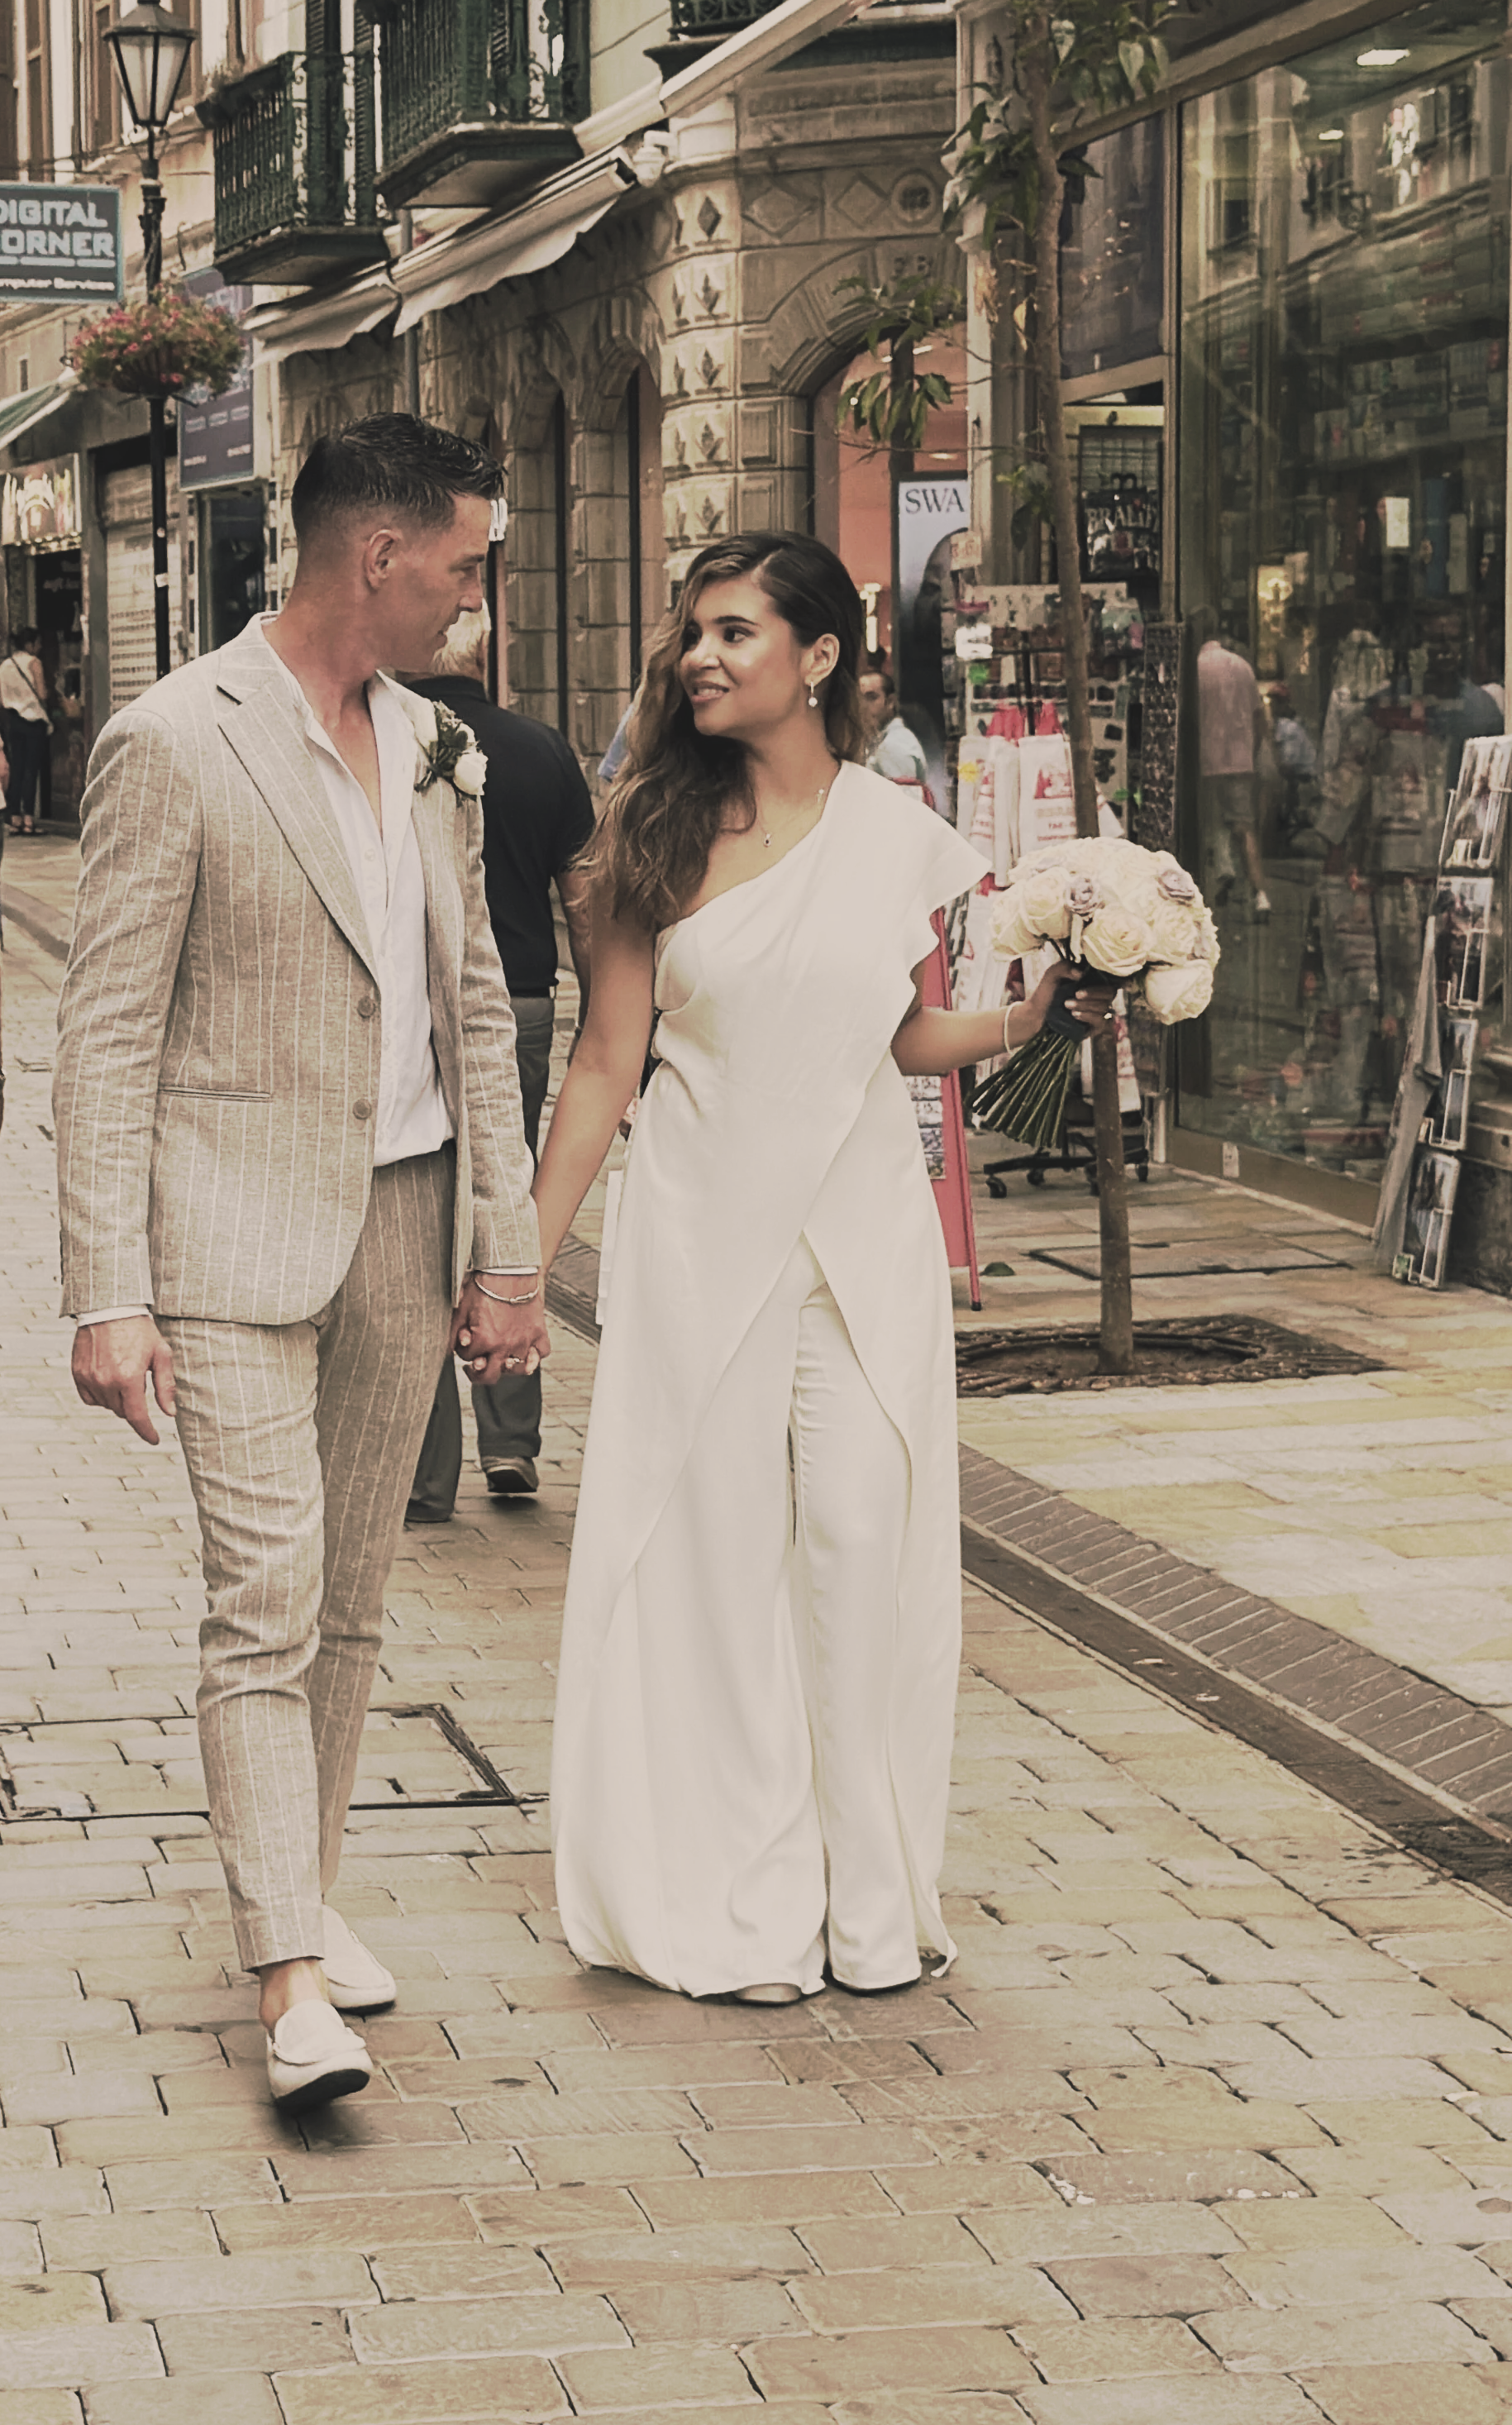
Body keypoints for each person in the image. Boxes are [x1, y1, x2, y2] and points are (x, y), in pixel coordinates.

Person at [531, 531, 1113, 2002]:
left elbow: (896, 1034)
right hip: (697, 1234)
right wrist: (512, 1266)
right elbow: (606, 1064)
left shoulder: (897, 835)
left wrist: (1023, 1022)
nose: (700, 657)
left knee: (863, 1543)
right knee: (715, 1567)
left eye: (734, 630)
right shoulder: (642, 836)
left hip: (858, 1234)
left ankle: (868, 1903)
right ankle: (737, 1905)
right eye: (692, 634)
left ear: (821, 657)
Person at [53, 415, 546, 2118]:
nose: (477, 597)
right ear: (376, 557)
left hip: (405, 1221)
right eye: (467, 565)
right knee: (262, 1599)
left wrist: (510, 1249)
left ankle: (303, 1884)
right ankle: (282, 1977)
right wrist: (101, 1290)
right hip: (230, 1234)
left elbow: (472, 999)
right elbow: (105, 1034)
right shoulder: (172, 739)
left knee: (349, 1600)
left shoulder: (435, 745)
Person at [406, 606, 594, 1516]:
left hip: (407, 1014)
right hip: (518, 1007)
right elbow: (584, 897)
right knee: (504, 1205)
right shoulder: (542, 749)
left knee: (414, 1222)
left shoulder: (389, 739)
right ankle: (511, 1441)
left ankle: (423, 1467)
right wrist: (602, 1016)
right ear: (487, 651)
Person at [1196, 623, 1271, 917]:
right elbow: (1259, 717)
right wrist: (1252, 752)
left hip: (1205, 760)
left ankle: (1213, 881)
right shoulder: (1243, 667)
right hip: (1240, 759)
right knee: (1244, 827)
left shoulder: (1196, 669)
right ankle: (1261, 894)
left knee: (1208, 825)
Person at [0, 629, 48, 834]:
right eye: (37, 644)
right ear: (29, 644)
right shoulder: (34, 663)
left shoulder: (5, 665)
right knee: (31, 770)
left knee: (17, 769)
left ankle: (15, 817)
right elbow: (42, 693)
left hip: (14, 721)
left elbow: (2, 699)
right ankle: (29, 819)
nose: (39, 648)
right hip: (34, 721)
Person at [858, 659, 930, 789]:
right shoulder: (880, 740)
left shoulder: (893, 746)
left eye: (871, 698)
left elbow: (904, 805)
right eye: (859, 699)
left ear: (890, 702)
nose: (863, 706)